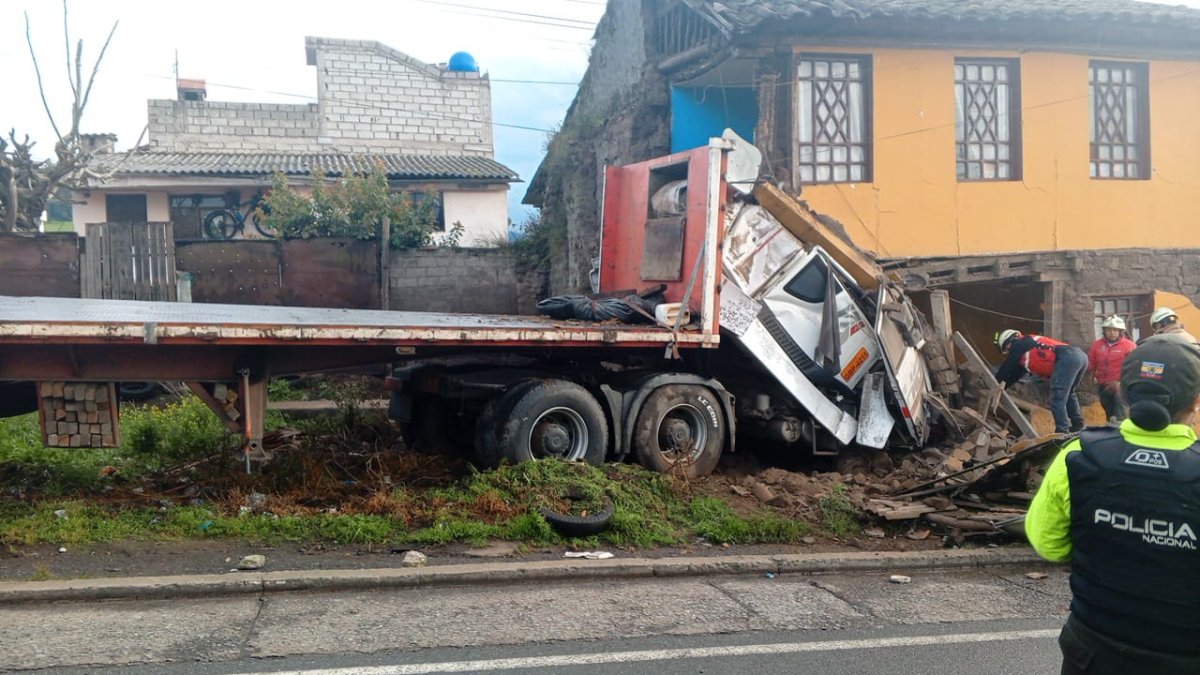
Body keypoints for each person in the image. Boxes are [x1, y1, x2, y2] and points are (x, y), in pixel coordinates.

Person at [1026, 333, 1200, 674]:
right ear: (1194, 400)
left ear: (1123, 390)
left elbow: (1048, 544)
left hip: (1090, 651)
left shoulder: (1078, 455)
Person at [994, 329, 1087, 433]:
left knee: (1057, 399)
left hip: (1068, 358)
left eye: (1006, 348)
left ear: (1009, 342)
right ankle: (1078, 425)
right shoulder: (1025, 350)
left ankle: (1062, 431)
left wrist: (994, 382)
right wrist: (1002, 386)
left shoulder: (1020, 343)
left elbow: (1007, 367)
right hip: (1079, 357)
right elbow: (1015, 375)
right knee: (1069, 394)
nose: (1008, 351)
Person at [1086, 315, 1136, 423]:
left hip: (1121, 388)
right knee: (1109, 415)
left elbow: (1134, 369)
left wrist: (1121, 383)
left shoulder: (1130, 346)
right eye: (1109, 330)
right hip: (1103, 386)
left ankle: (1121, 435)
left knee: (1120, 415)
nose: (1112, 332)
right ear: (1104, 331)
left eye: (1115, 330)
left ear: (1121, 331)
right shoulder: (1096, 346)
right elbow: (1091, 365)